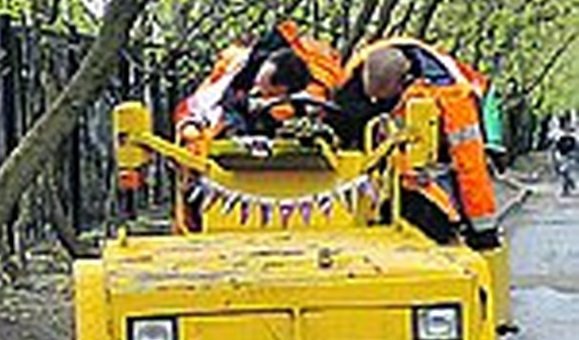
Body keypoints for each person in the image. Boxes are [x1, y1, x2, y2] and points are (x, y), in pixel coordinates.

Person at [333, 38, 500, 250]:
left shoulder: (453, 99)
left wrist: (483, 230)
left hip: (426, 175)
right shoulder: (355, 75)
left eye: (383, 99)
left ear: (405, 82)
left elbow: (471, 165)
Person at [174, 20, 342, 142]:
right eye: (257, 84)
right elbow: (209, 100)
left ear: (282, 91)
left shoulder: (314, 90)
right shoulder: (244, 65)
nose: (256, 90)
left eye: (263, 90)